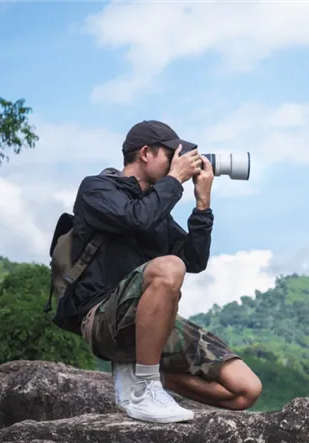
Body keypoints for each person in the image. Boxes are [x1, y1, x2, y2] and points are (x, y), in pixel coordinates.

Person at [66, 120, 262, 424]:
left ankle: (147, 371)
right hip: (102, 319)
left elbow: (194, 260)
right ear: (146, 153)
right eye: (172, 155)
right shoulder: (98, 188)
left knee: (246, 390)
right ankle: (145, 389)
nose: (180, 162)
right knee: (169, 266)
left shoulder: (157, 209)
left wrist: (202, 204)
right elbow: (137, 219)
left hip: (150, 323)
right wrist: (173, 180)